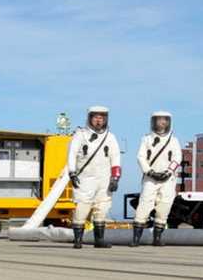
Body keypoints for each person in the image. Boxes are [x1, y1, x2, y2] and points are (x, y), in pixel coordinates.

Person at [66, 106, 122, 249]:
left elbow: (115, 157)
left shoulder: (110, 137)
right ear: (90, 118)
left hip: (104, 178)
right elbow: (71, 154)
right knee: (82, 208)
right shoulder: (80, 135)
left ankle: (99, 240)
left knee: (102, 208)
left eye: (102, 118)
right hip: (85, 177)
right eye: (96, 117)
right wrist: (72, 172)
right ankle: (78, 240)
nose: (99, 120)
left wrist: (115, 177)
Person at [133, 111, 181, 247]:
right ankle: (136, 239)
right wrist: (149, 171)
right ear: (153, 122)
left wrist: (169, 172)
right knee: (144, 205)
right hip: (150, 178)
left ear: (168, 122)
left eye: (164, 120)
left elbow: (177, 157)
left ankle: (157, 239)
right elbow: (140, 157)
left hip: (168, 180)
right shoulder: (146, 139)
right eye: (158, 120)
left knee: (164, 207)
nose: (161, 122)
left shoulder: (174, 140)